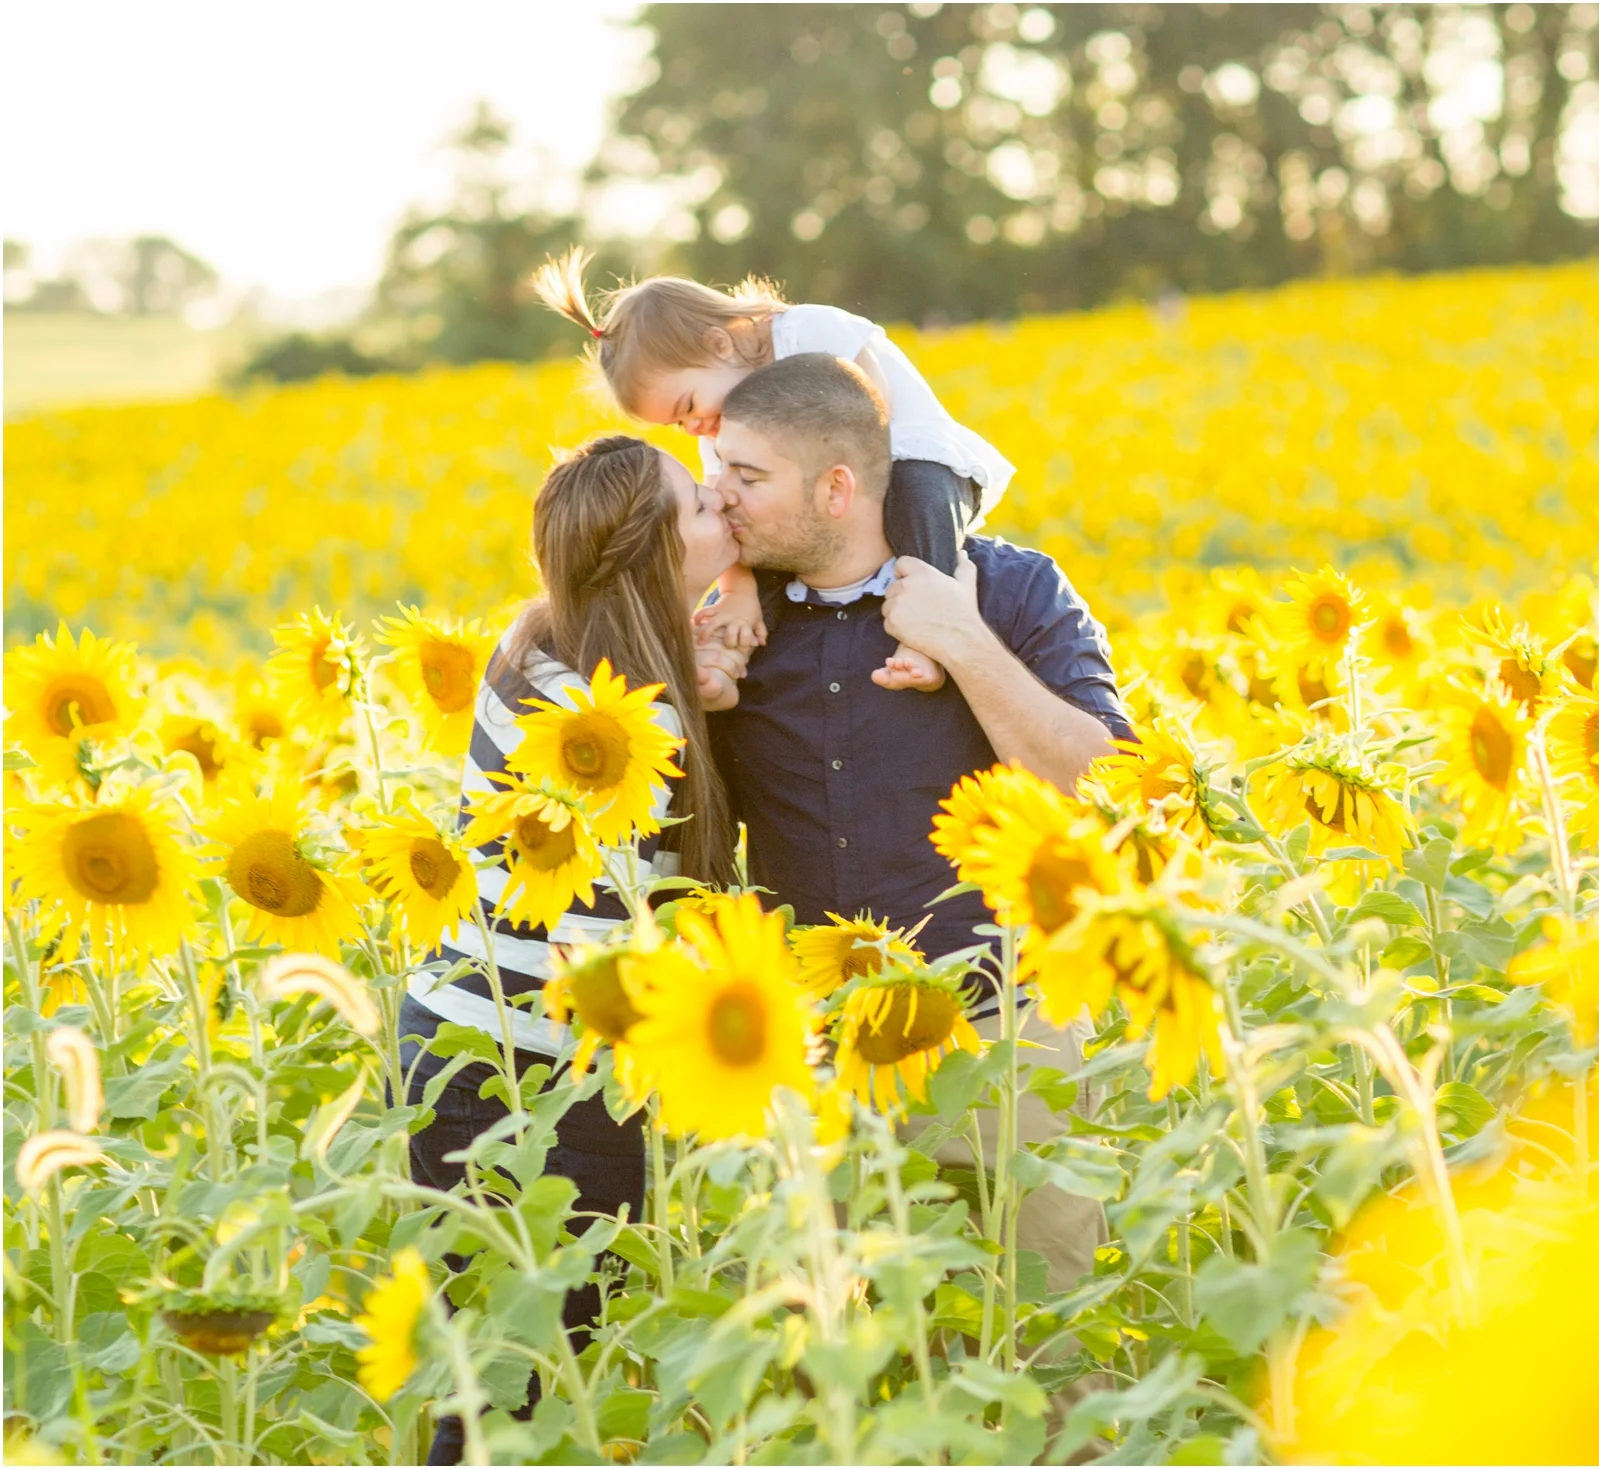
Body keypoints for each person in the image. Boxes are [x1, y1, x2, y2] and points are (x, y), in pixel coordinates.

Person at [704, 352, 1131, 1294]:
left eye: (745, 476)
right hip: (825, 1066)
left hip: (1011, 1039)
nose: (717, 497)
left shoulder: (1013, 591)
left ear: (837, 487)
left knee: (1051, 1346)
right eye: (713, 471)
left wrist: (964, 642)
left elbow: (1110, 787)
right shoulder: (732, 625)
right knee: (856, 1377)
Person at [398, 434, 739, 1466]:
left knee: (495, 1370)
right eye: (700, 504)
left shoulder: (533, 641)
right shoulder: (625, 736)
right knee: (534, 1384)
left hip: (448, 1047)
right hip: (536, 1073)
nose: (723, 499)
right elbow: (615, 948)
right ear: (650, 555)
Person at [533, 247, 1009, 696]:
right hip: (822, 496)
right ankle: (725, 661)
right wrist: (737, 593)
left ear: (719, 344)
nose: (694, 427)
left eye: (688, 405)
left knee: (920, 502)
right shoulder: (719, 431)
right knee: (765, 547)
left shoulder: (804, 330)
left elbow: (867, 405)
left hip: (899, 452)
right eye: (677, 423)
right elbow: (729, 514)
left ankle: (927, 641)